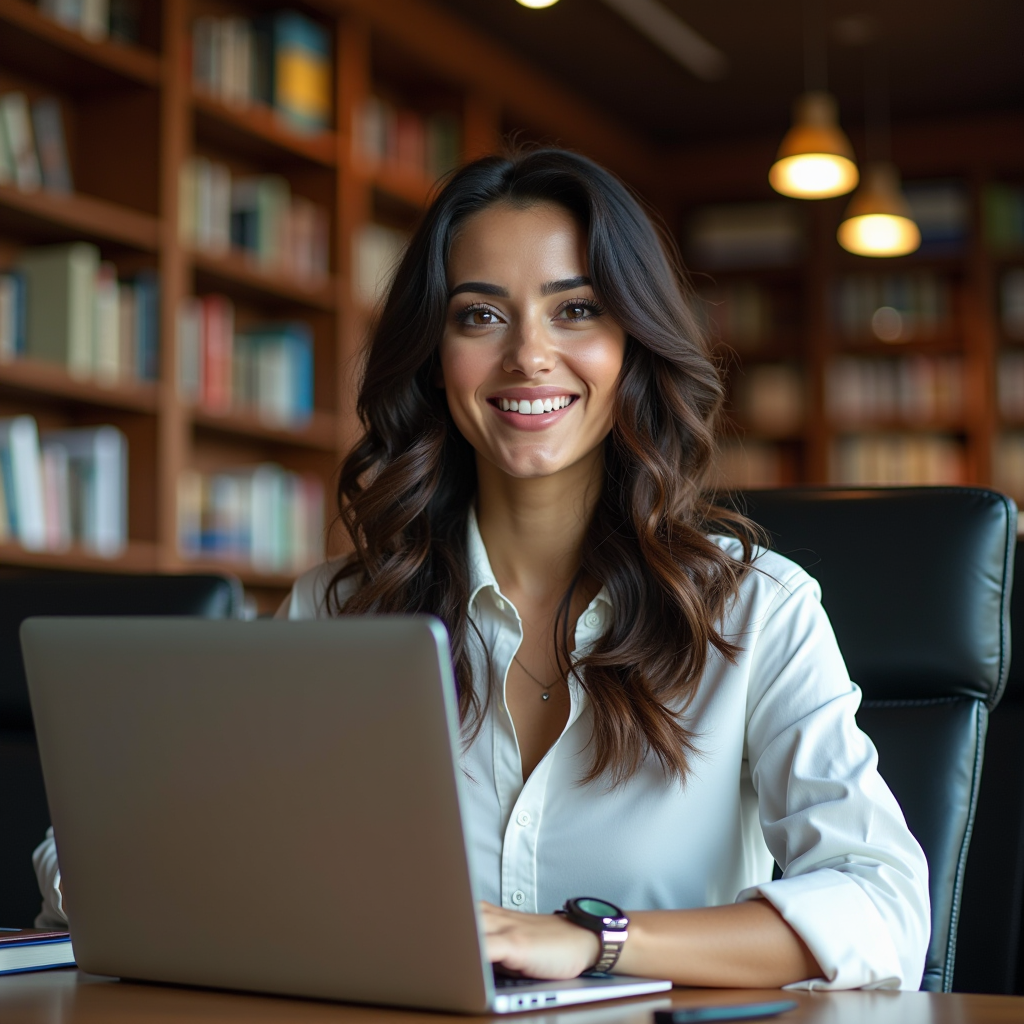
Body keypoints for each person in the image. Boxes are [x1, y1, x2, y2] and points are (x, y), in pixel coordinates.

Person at [34, 148, 929, 990]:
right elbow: (98, 869)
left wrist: (593, 941)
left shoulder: (756, 610)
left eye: (576, 310)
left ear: (633, 343)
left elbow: (884, 906)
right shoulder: (341, 611)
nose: (528, 354)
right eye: (481, 315)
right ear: (435, 357)